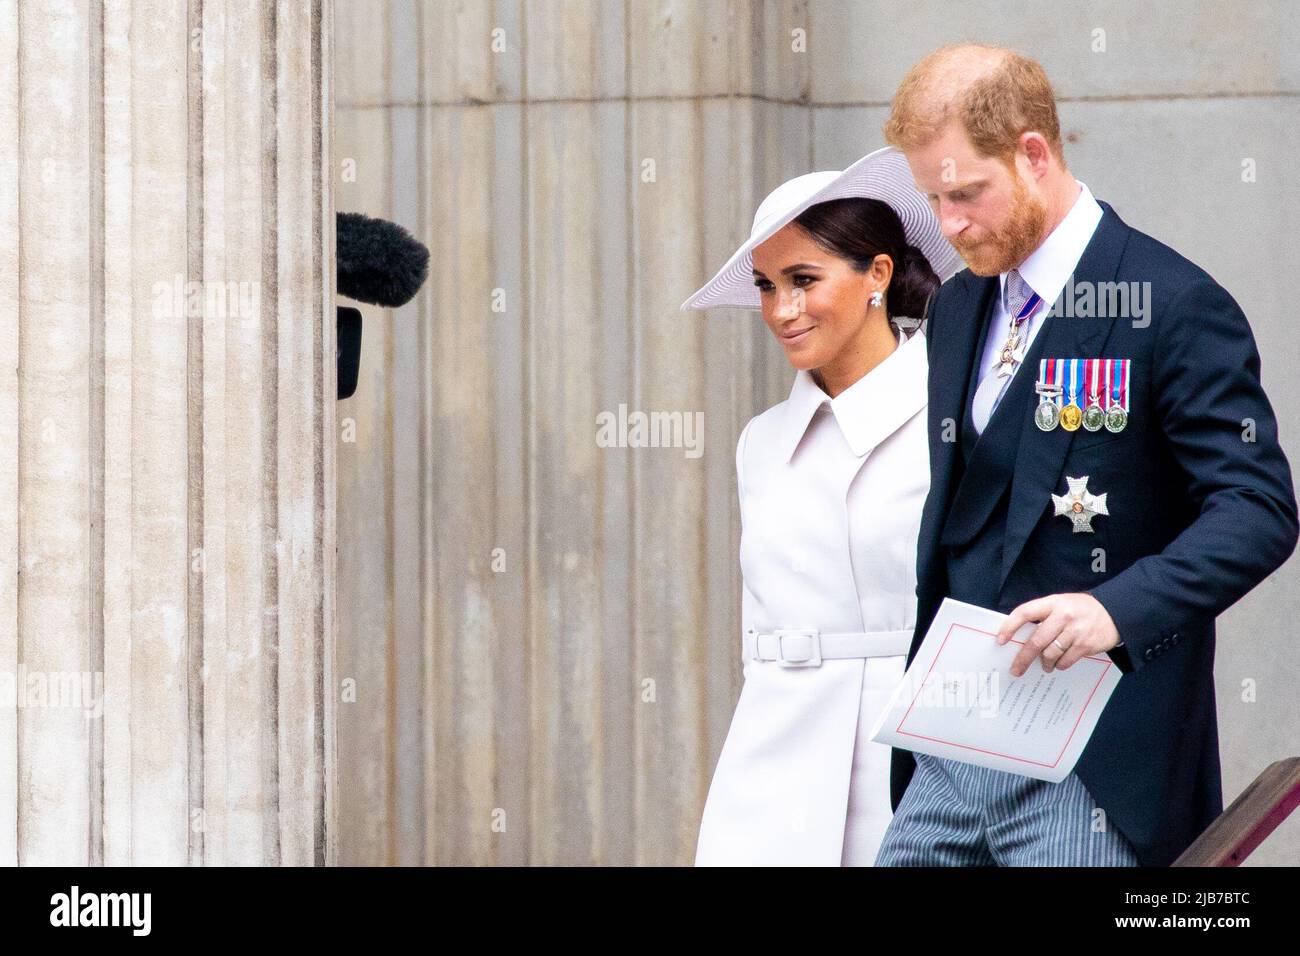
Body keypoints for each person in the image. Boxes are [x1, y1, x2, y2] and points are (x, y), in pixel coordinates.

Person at [874, 43, 1298, 866]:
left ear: (1034, 154)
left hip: (1096, 763)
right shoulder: (958, 308)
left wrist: (1115, 611)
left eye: (966, 193)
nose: (950, 224)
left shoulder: (1174, 305)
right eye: (932, 198)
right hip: (951, 746)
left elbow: (1259, 511)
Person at [680, 147, 962, 865]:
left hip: (916, 766)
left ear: (879, 274)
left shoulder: (954, 417)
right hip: (769, 768)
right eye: (767, 286)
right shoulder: (761, 442)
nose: (782, 310)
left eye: (803, 280)